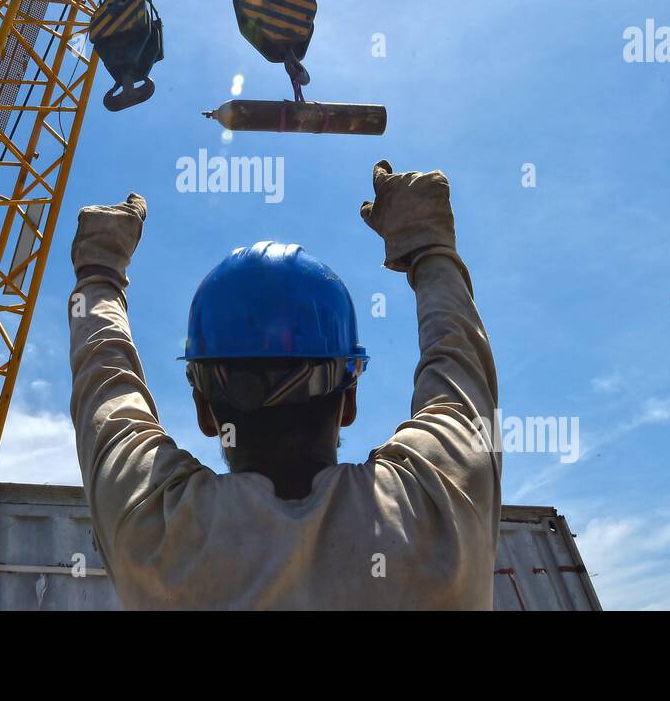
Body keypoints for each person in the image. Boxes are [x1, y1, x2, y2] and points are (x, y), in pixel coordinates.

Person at [67, 160, 500, 609]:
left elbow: (105, 382)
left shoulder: (154, 530)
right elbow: (459, 358)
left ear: (203, 411)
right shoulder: (437, 501)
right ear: (348, 402)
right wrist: (429, 247)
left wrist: (100, 269)